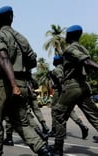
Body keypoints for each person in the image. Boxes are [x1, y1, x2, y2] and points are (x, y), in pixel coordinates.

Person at [0, 6, 53, 156]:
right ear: (11, 18)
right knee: (22, 123)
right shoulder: (21, 38)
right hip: (22, 84)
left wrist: (13, 84)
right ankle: (45, 151)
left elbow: (3, 58)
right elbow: (32, 62)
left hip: (5, 84)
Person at [51, 25, 98, 156]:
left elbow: (86, 62)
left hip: (72, 86)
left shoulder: (71, 48)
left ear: (70, 36)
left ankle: (58, 148)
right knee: (94, 116)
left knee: (58, 114)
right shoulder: (83, 48)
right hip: (84, 86)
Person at [48, 55, 89, 139]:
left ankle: (55, 130)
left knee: (55, 111)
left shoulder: (57, 69)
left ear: (55, 61)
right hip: (68, 91)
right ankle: (81, 125)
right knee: (69, 111)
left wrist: (59, 87)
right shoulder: (65, 68)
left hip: (59, 92)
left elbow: (60, 80)